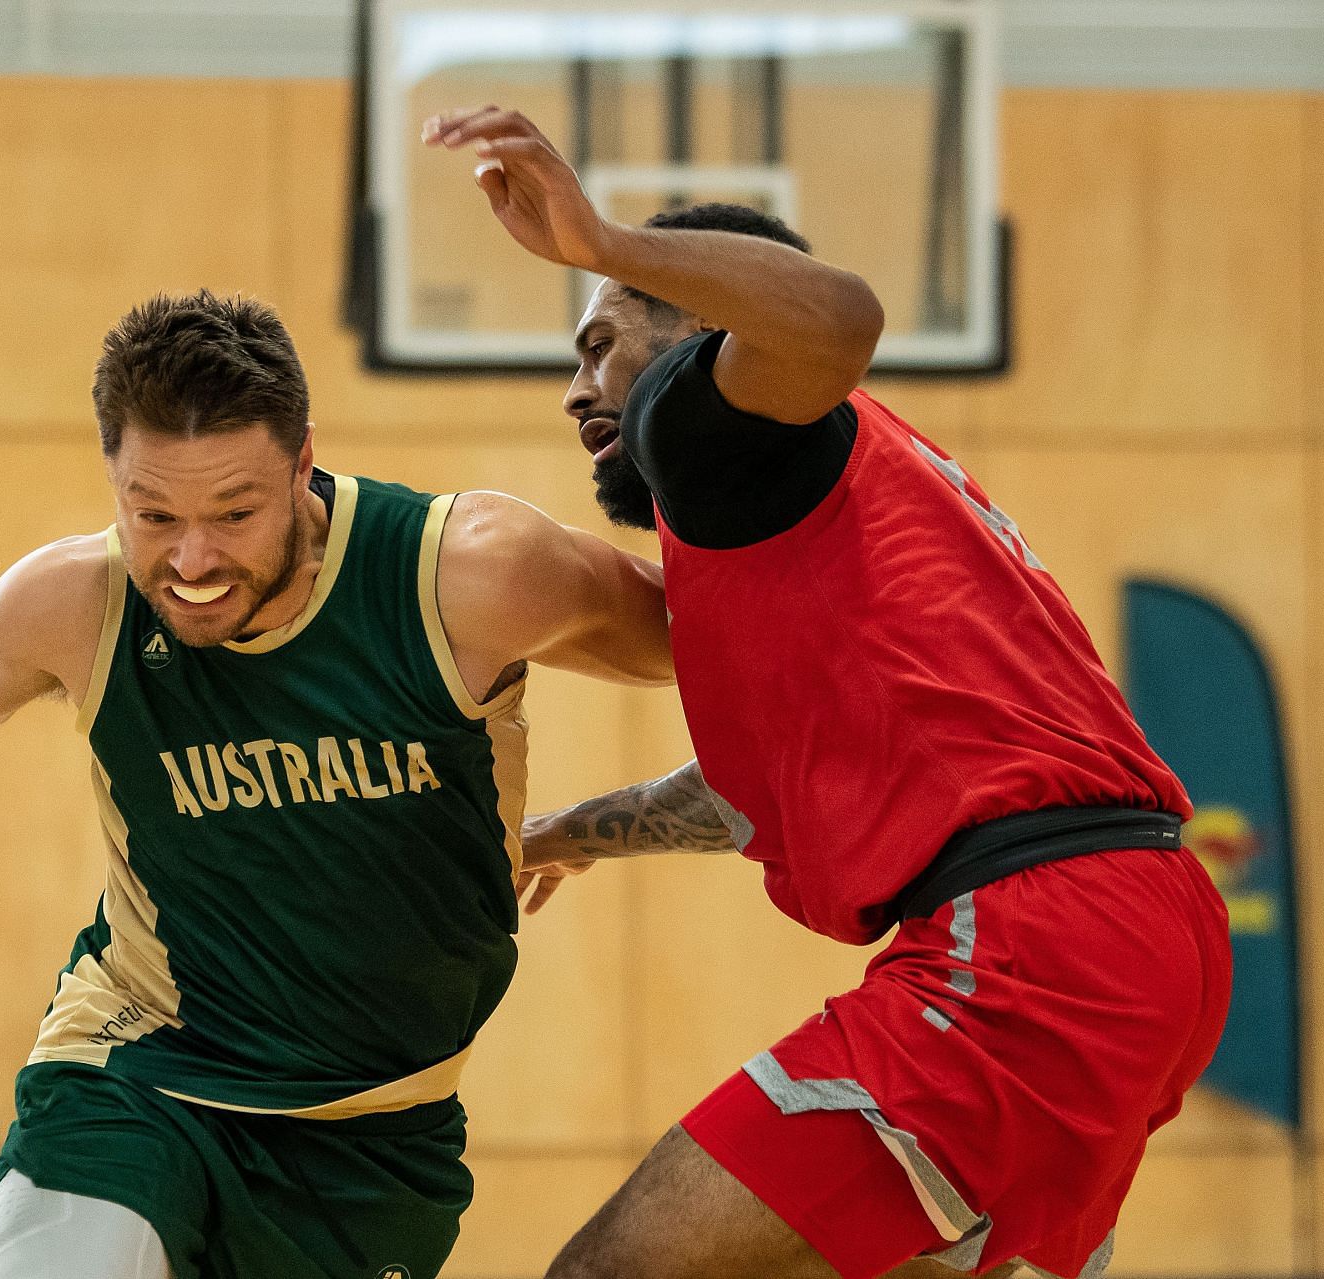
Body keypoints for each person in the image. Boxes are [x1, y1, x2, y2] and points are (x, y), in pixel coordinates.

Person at [0, 289, 676, 1279]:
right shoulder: (77, 602)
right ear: (113, 481)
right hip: (138, 1074)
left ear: (302, 465)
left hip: (372, 1132)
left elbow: (727, 653)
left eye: (234, 513)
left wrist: (596, 824)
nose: (190, 560)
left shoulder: (468, 575)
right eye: (154, 514)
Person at [425, 106, 1231, 1279]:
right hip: (1144, 918)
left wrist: (603, 242)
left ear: (709, 328)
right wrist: (573, 831)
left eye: (599, 345)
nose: (577, 390)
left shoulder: (709, 427)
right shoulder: (838, 505)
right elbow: (789, 778)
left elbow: (841, 313)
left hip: (1028, 943)